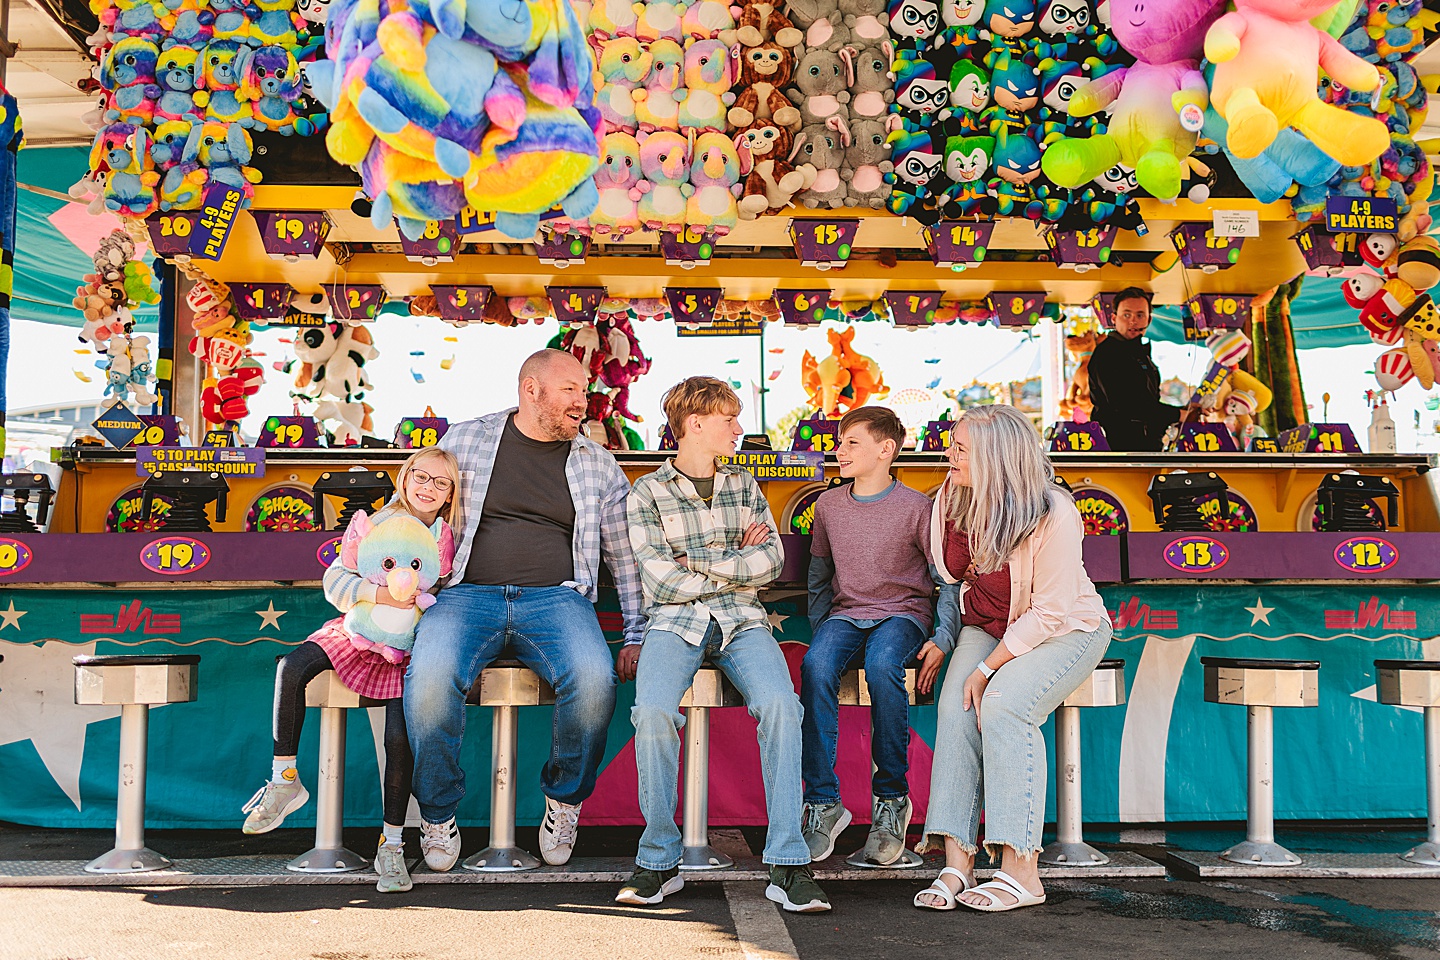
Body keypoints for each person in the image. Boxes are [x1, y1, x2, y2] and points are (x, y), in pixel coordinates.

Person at [403, 349, 646, 873]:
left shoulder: (597, 463)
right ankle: (438, 812)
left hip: (556, 598)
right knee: (429, 678)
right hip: (467, 593)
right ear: (531, 390)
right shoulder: (465, 439)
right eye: (571, 391)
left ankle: (564, 801)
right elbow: (413, 507)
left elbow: (624, 555)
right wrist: (373, 566)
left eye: (585, 391)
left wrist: (635, 632)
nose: (584, 401)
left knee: (594, 678)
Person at [616, 377, 830, 913]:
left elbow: (772, 563)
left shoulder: (743, 483)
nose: (739, 429)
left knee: (783, 707)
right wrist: (735, 563)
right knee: (653, 714)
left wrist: (699, 563)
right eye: (729, 420)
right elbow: (659, 583)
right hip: (673, 622)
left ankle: (788, 861)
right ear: (695, 425)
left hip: (742, 620)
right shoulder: (646, 490)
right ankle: (658, 860)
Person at [913, 404, 1112, 913]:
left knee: (1003, 705)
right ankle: (957, 864)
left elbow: (1050, 611)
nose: (949, 455)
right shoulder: (948, 502)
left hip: (1066, 629)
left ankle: (1021, 870)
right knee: (958, 707)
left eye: (961, 449)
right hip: (987, 625)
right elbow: (950, 581)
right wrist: (950, 639)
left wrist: (986, 668)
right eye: (952, 445)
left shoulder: (1053, 510)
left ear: (997, 457)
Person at [241, 447, 459, 895]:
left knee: (398, 740)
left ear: (452, 493)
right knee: (292, 666)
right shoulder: (376, 526)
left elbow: (453, 599)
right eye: (421, 476)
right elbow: (334, 582)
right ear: (404, 477)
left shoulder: (448, 537)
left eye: (441, 482)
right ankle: (285, 779)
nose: (428, 488)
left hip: (408, 648)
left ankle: (393, 845)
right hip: (359, 629)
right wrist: (380, 597)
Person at [799, 406, 953, 866]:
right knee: (815, 664)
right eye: (839, 441)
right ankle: (823, 803)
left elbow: (944, 578)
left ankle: (891, 800)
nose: (838, 450)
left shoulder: (918, 508)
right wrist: (822, 628)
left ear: (886, 450)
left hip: (903, 615)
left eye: (851, 443)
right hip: (846, 616)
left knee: (885, 665)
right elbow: (819, 574)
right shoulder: (827, 506)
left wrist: (943, 635)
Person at [1087, 288, 1185, 451]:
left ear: (1149, 319)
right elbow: (1129, 406)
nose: (1133, 321)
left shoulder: (1140, 353)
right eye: (1126, 315)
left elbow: (1148, 402)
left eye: (1140, 315)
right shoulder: (1108, 353)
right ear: (1114, 318)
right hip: (1118, 450)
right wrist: (1179, 415)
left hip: (1145, 448)